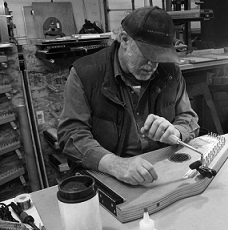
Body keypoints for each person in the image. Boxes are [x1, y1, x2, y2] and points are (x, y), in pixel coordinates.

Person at [57, 6, 199, 186]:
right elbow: (71, 134)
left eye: (159, 57)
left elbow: (188, 117)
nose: (153, 65)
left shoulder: (170, 72)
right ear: (124, 40)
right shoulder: (85, 74)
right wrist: (116, 164)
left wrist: (176, 131)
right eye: (148, 55)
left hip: (162, 169)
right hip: (110, 174)